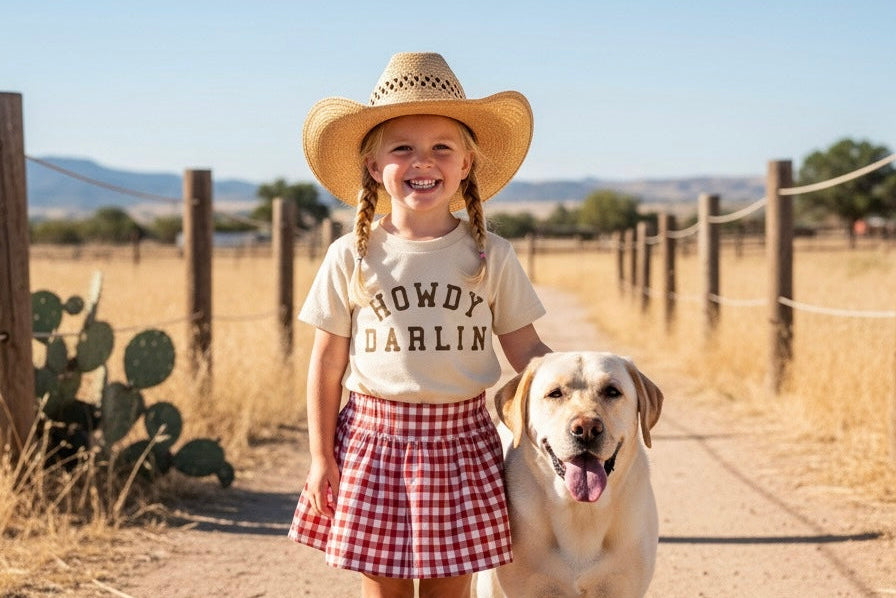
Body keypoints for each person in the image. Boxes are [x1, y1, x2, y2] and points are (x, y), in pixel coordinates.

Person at [289, 51, 550, 598]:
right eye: (402, 148)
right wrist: (321, 456)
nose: (421, 162)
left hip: (461, 443)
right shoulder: (351, 255)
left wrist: (574, 390)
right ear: (372, 164)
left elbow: (525, 349)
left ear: (466, 164)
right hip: (372, 442)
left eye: (441, 148)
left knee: (448, 591)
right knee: (383, 590)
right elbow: (328, 361)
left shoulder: (490, 254)